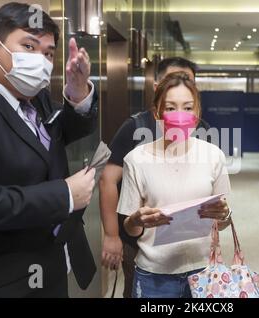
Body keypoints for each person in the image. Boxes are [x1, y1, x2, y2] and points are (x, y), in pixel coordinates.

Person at [0, 2, 98, 297]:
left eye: (48, 53)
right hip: (5, 280)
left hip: (54, 265)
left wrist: (77, 92)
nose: (41, 60)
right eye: (28, 46)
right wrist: (63, 195)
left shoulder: (38, 101)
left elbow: (67, 132)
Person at [99, 57, 209, 298]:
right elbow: (107, 179)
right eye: (174, 79)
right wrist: (111, 235)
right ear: (158, 85)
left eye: (188, 81)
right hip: (140, 243)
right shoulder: (135, 126)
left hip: (187, 248)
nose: (181, 85)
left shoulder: (199, 131)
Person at [118, 72, 232, 298]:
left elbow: (222, 222)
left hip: (204, 272)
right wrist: (136, 220)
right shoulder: (136, 159)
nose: (180, 115)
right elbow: (130, 228)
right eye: (170, 108)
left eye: (188, 107)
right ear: (157, 113)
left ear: (197, 113)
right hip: (154, 276)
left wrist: (225, 214)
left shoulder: (213, 156)